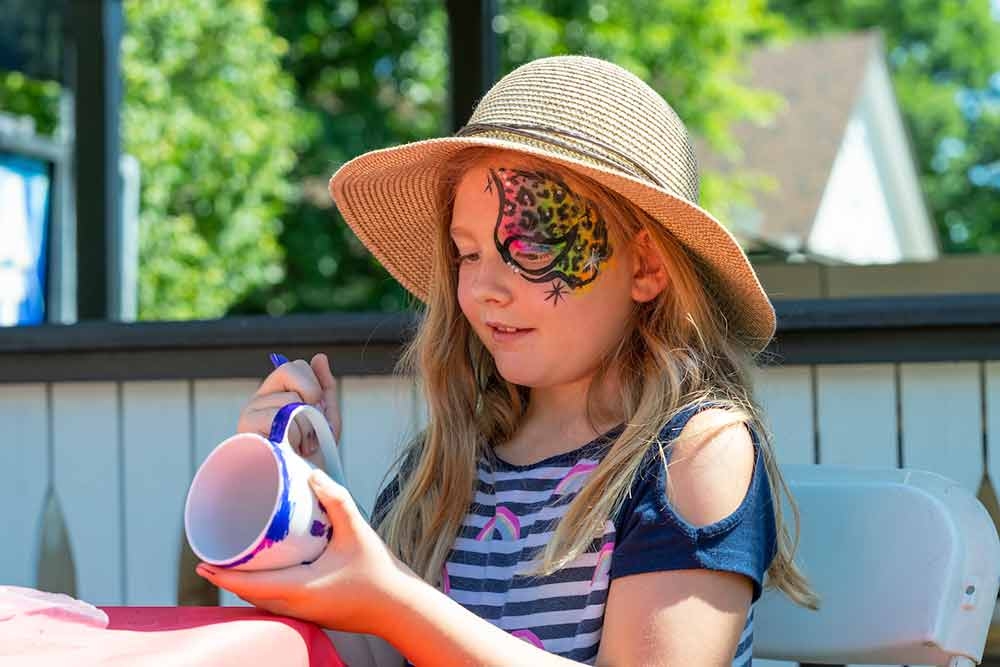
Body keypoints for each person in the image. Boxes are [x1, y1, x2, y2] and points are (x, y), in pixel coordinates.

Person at [197, 54, 820, 666]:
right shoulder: (447, 466)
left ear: (647, 266)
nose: (483, 289)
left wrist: (392, 598)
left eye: (530, 248)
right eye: (467, 254)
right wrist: (303, 497)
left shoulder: (692, 454)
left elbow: (399, 613)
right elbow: (373, 654)